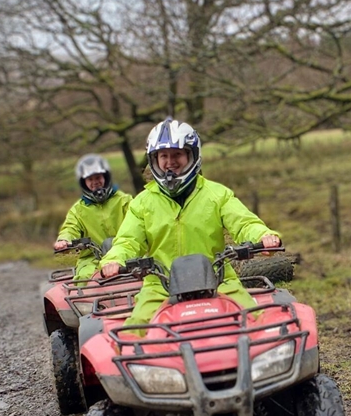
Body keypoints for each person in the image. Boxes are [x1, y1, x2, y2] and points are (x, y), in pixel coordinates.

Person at [99, 117, 281, 327]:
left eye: (177, 154)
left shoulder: (217, 194)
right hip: (160, 286)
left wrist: (262, 236)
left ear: (192, 155)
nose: (170, 161)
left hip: (219, 281)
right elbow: (127, 241)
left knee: (254, 321)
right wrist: (113, 260)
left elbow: (244, 222)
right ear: (154, 160)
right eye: (163, 156)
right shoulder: (141, 203)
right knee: (136, 329)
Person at [55, 154, 133, 280]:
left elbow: (138, 220)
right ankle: (85, 299)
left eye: (98, 177)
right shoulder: (78, 210)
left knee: (146, 272)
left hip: (125, 252)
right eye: (90, 179)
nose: (95, 182)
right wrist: (64, 240)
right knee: (84, 278)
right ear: (83, 182)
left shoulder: (124, 200)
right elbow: (70, 227)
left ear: (106, 177)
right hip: (92, 258)